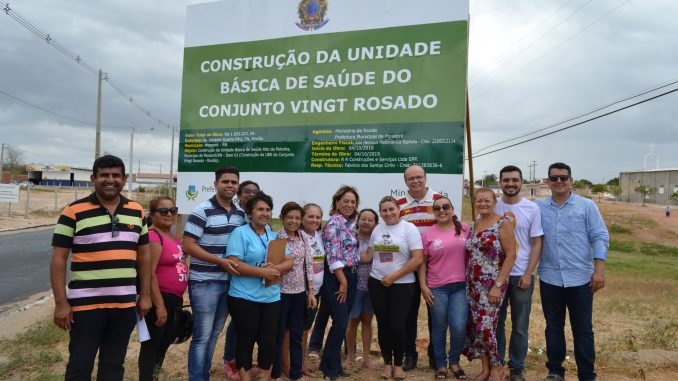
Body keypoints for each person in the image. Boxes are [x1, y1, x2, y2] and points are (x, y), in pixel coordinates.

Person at [50, 154, 152, 380]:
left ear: (124, 179)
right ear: (93, 178)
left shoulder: (136, 211)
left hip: (124, 305)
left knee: (114, 365)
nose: (110, 180)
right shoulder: (73, 211)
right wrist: (61, 303)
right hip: (85, 306)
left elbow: (144, 255)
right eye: (104, 175)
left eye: (116, 175)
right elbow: (58, 258)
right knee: (79, 365)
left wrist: (144, 295)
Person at [536, 163, 609, 381]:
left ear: (571, 181)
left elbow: (600, 237)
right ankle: (555, 371)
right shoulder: (538, 208)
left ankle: (587, 374)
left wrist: (599, 270)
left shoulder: (586, 206)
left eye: (563, 177)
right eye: (554, 178)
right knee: (554, 327)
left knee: (583, 329)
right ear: (547, 181)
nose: (559, 181)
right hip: (550, 277)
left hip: (580, 279)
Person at [183, 166, 246, 381]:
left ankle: (203, 375)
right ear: (215, 184)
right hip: (204, 282)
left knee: (214, 334)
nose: (229, 185)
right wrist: (219, 261)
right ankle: (197, 378)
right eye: (225, 181)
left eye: (234, 182)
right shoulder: (202, 211)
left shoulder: (240, 215)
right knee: (201, 336)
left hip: (229, 283)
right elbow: (188, 245)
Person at [226, 192, 294, 381]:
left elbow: (290, 262)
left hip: (271, 298)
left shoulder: (274, 237)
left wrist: (275, 269)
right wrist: (262, 272)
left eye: (268, 209)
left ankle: (265, 377)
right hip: (243, 297)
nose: (264, 213)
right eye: (260, 209)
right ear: (250, 212)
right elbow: (234, 264)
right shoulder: (240, 233)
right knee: (245, 341)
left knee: (268, 342)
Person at [363, 196, 424, 380]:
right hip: (377, 283)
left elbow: (417, 258)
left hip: (402, 285)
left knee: (397, 326)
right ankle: (387, 364)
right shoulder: (377, 229)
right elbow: (369, 255)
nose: (388, 213)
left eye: (391, 209)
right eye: (384, 210)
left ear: (399, 210)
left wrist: (393, 277)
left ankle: (398, 365)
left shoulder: (409, 229)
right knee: (383, 325)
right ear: (380, 212)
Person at [494, 165, 543, 381]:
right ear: (500, 182)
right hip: (496, 276)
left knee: (520, 324)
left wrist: (528, 272)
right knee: (496, 322)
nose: (510, 184)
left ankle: (517, 366)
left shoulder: (531, 208)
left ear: (521, 182)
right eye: (506, 180)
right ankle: (498, 364)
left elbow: (536, 242)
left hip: (521, 274)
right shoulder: (492, 205)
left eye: (515, 180)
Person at [464, 188, 517, 381]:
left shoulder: (503, 223)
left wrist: (498, 284)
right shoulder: (473, 225)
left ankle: (497, 367)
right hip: (472, 286)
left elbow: (511, 255)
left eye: (487, 200)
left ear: (494, 202)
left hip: (492, 285)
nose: (483, 204)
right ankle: (485, 368)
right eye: (479, 201)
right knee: (478, 327)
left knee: (486, 327)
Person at [396, 164, 443, 371]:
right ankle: (410, 354)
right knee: (408, 314)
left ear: (425, 178)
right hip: (408, 269)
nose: (415, 181)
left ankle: (435, 354)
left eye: (419, 177)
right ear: (405, 181)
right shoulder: (399, 205)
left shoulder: (439, 201)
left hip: (436, 269)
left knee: (436, 314)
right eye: (410, 178)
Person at [419, 197, 470, 380]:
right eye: (437, 208)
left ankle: (454, 362)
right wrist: (423, 286)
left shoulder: (464, 228)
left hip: (460, 287)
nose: (442, 210)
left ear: (452, 208)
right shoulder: (427, 234)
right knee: (439, 327)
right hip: (437, 288)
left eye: (445, 206)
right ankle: (441, 364)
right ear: (433, 211)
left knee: (458, 327)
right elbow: (422, 263)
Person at [138, 197, 188, 381]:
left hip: (173, 299)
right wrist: (159, 306)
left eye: (173, 210)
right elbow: (148, 273)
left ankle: (154, 377)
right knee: (151, 346)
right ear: (152, 215)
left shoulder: (172, 235)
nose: (169, 214)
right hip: (160, 298)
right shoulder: (153, 236)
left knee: (163, 344)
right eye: (163, 211)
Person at [272, 202, 318, 381]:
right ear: (282, 218)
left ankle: (296, 373)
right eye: (290, 217)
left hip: (299, 294)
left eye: (297, 218)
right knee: (278, 335)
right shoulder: (277, 239)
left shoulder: (304, 238)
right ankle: (276, 373)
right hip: (280, 293)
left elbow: (308, 265)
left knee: (297, 335)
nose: (294, 221)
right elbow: (274, 267)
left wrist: (311, 292)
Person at [319, 186, 361, 380]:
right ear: (337, 203)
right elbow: (333, 255)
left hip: (351, 276)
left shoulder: (350, 224)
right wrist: (343, 282)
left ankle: (332, 363)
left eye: (353, 202)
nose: (349, 205)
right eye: (346, 201)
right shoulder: (333, 224)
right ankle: (329, 367)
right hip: (338, 277)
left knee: (340, 322)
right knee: (341, 321)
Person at [223, 180, 261, 381]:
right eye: (247, 191)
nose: (251, 194)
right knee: (237, 323)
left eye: (255, 192)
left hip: (253, 281)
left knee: (249, 325)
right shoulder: (235, 215)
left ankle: (244, 362)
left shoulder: (260, 218)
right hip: (231, 273)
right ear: (239, 194)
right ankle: (230, 361)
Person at [345, 208, 378, 371]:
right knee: (352, 321)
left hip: (371, 286)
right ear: (358, 221)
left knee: (367, 322)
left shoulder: (378, 237)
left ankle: (366, 357)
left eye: (370, 220)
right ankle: (350, 355)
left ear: (376, 223)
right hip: (353, 286)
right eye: (363, 219)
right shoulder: (350, 236)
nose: (366, 222)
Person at [299, 203, 326, 377]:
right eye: (310, 216)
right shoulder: (298, 236)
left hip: (315, 291)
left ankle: (300, 362)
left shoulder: (319, 235)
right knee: (297, 330)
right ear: (302, 218)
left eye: (317, 217)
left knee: (305, 329)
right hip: (301, 291)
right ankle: (295, 365)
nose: (314, 220)